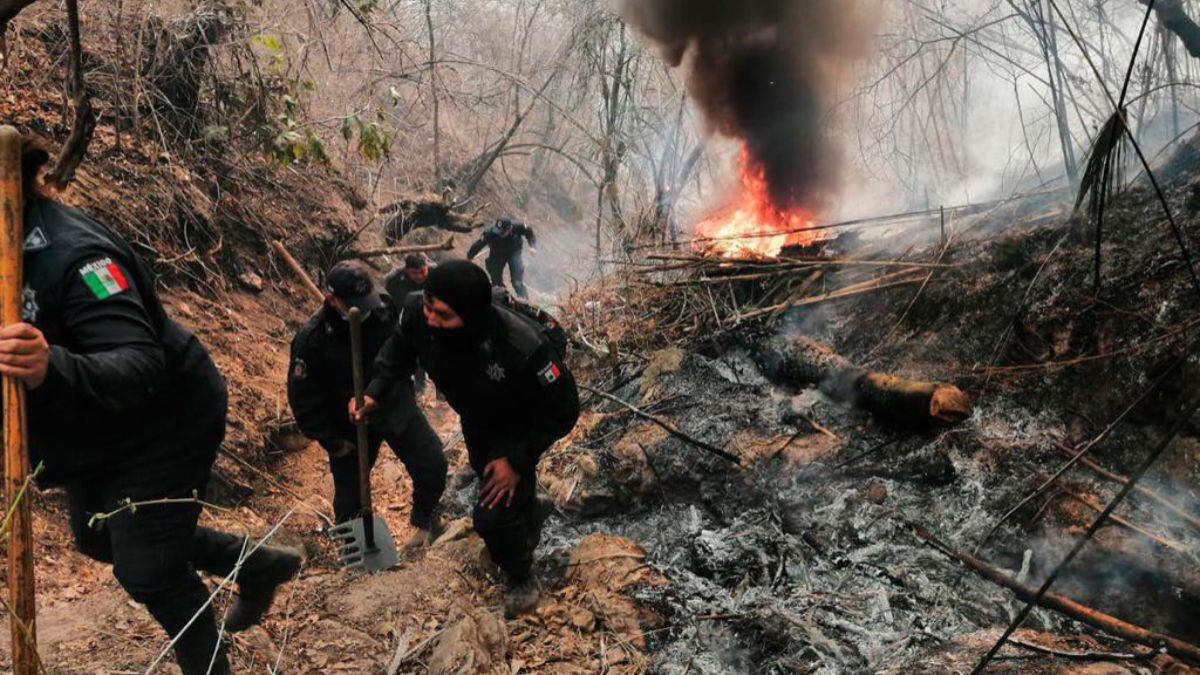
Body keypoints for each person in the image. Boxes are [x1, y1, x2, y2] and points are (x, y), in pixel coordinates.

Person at [0, 135, 301, 675]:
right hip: (94, 427)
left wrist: (53, 367)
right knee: (96, 536)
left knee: (149, 571)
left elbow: (138, 361)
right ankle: (253, 563)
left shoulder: (79, 257)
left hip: (165, 417)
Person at [351, 260, 578, 617]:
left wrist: (517, 460)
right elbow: (399, 350)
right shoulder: (417, 312)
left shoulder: (520, 346)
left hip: (517, 423)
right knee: (496, 485)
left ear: (472, 316)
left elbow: (564, 411)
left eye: (443, 315)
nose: (430, 319)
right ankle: (529, 507)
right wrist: (375, 391)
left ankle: (521, 575)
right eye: (428, 307)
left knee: (491, 516)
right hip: (476, 415)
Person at [287, 261, 447, 545]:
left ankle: (425, 524)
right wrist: (332, 441)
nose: (366, 308)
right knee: (350, 498)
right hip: (347, 422)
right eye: (355, 304)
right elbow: (304, 399)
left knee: (432, 462)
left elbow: (402, 350)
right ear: (332, 299)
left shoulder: (384, 307)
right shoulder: (311, 340)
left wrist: (394, 391)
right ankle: (358, 552)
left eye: (367, 301)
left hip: (392, 400)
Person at [385, 254, 433, 393]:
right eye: (414, 273)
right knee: (414, 350)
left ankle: (442, 390)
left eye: (422, 271)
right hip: (408, 319)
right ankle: (419, 382)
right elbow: (389, 304)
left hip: (434, 317)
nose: (419, 276)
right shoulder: (395, 281)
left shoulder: (436, 274)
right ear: (407, 271)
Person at [467, 218, 537, 299]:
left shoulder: (517, 227)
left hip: (514, 253)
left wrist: (532, 246)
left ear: (509, 229)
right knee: (494, 274)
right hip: (497, 254)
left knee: (517, 282)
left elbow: (529, 232)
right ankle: (501, 293)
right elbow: (479, 244)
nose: (499, 234)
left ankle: (524, 300)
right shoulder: (490, 232)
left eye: (503, 232)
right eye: (498, 231)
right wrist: (469, 257)